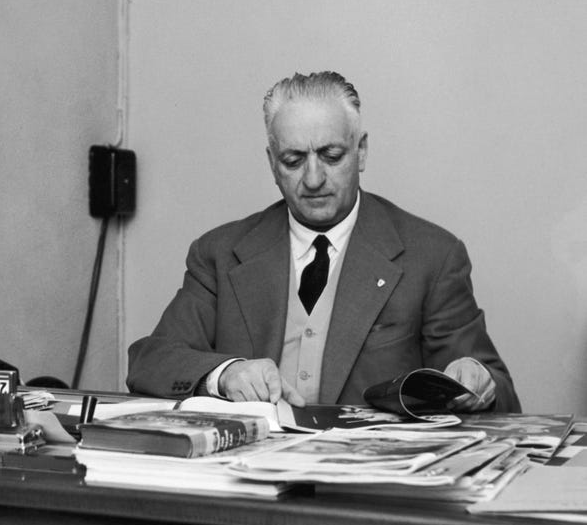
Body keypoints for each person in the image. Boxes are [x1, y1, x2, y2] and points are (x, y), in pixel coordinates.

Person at [127, 71, 520, 413]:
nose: (313, 179)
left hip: (371, 484)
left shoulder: (432, 256)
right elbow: (150, 362)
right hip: (250, 475)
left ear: (361, 152)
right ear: (271, 163)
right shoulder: (219, 253)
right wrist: (225, 374)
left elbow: (500, 394)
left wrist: (478, 382)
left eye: (331, 155)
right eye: (293, 160)